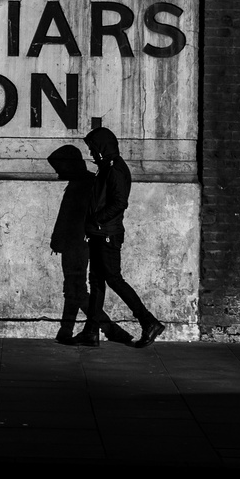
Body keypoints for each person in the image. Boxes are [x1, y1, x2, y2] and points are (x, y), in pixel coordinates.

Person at [83, 126, 166, 348]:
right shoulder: (106, 167)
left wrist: (96, 220)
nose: (91, 153)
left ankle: (149, 322)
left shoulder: (115, 169)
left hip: (107, 234)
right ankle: (91, 332)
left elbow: (119, 203)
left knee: (114, 279)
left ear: (102, 147)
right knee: (97, 282)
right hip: (99, 232)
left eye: (92, 148)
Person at [46, 144, 98, 346]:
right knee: (74, 289)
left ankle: (111, 329)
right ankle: (65, 330)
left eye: (60, 166)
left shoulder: (83, 185)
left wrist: (60, 239)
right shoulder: (83, 182)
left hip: (76, 245)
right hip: (74, 244)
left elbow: (72, 218)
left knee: (76, 290)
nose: (58, 171)